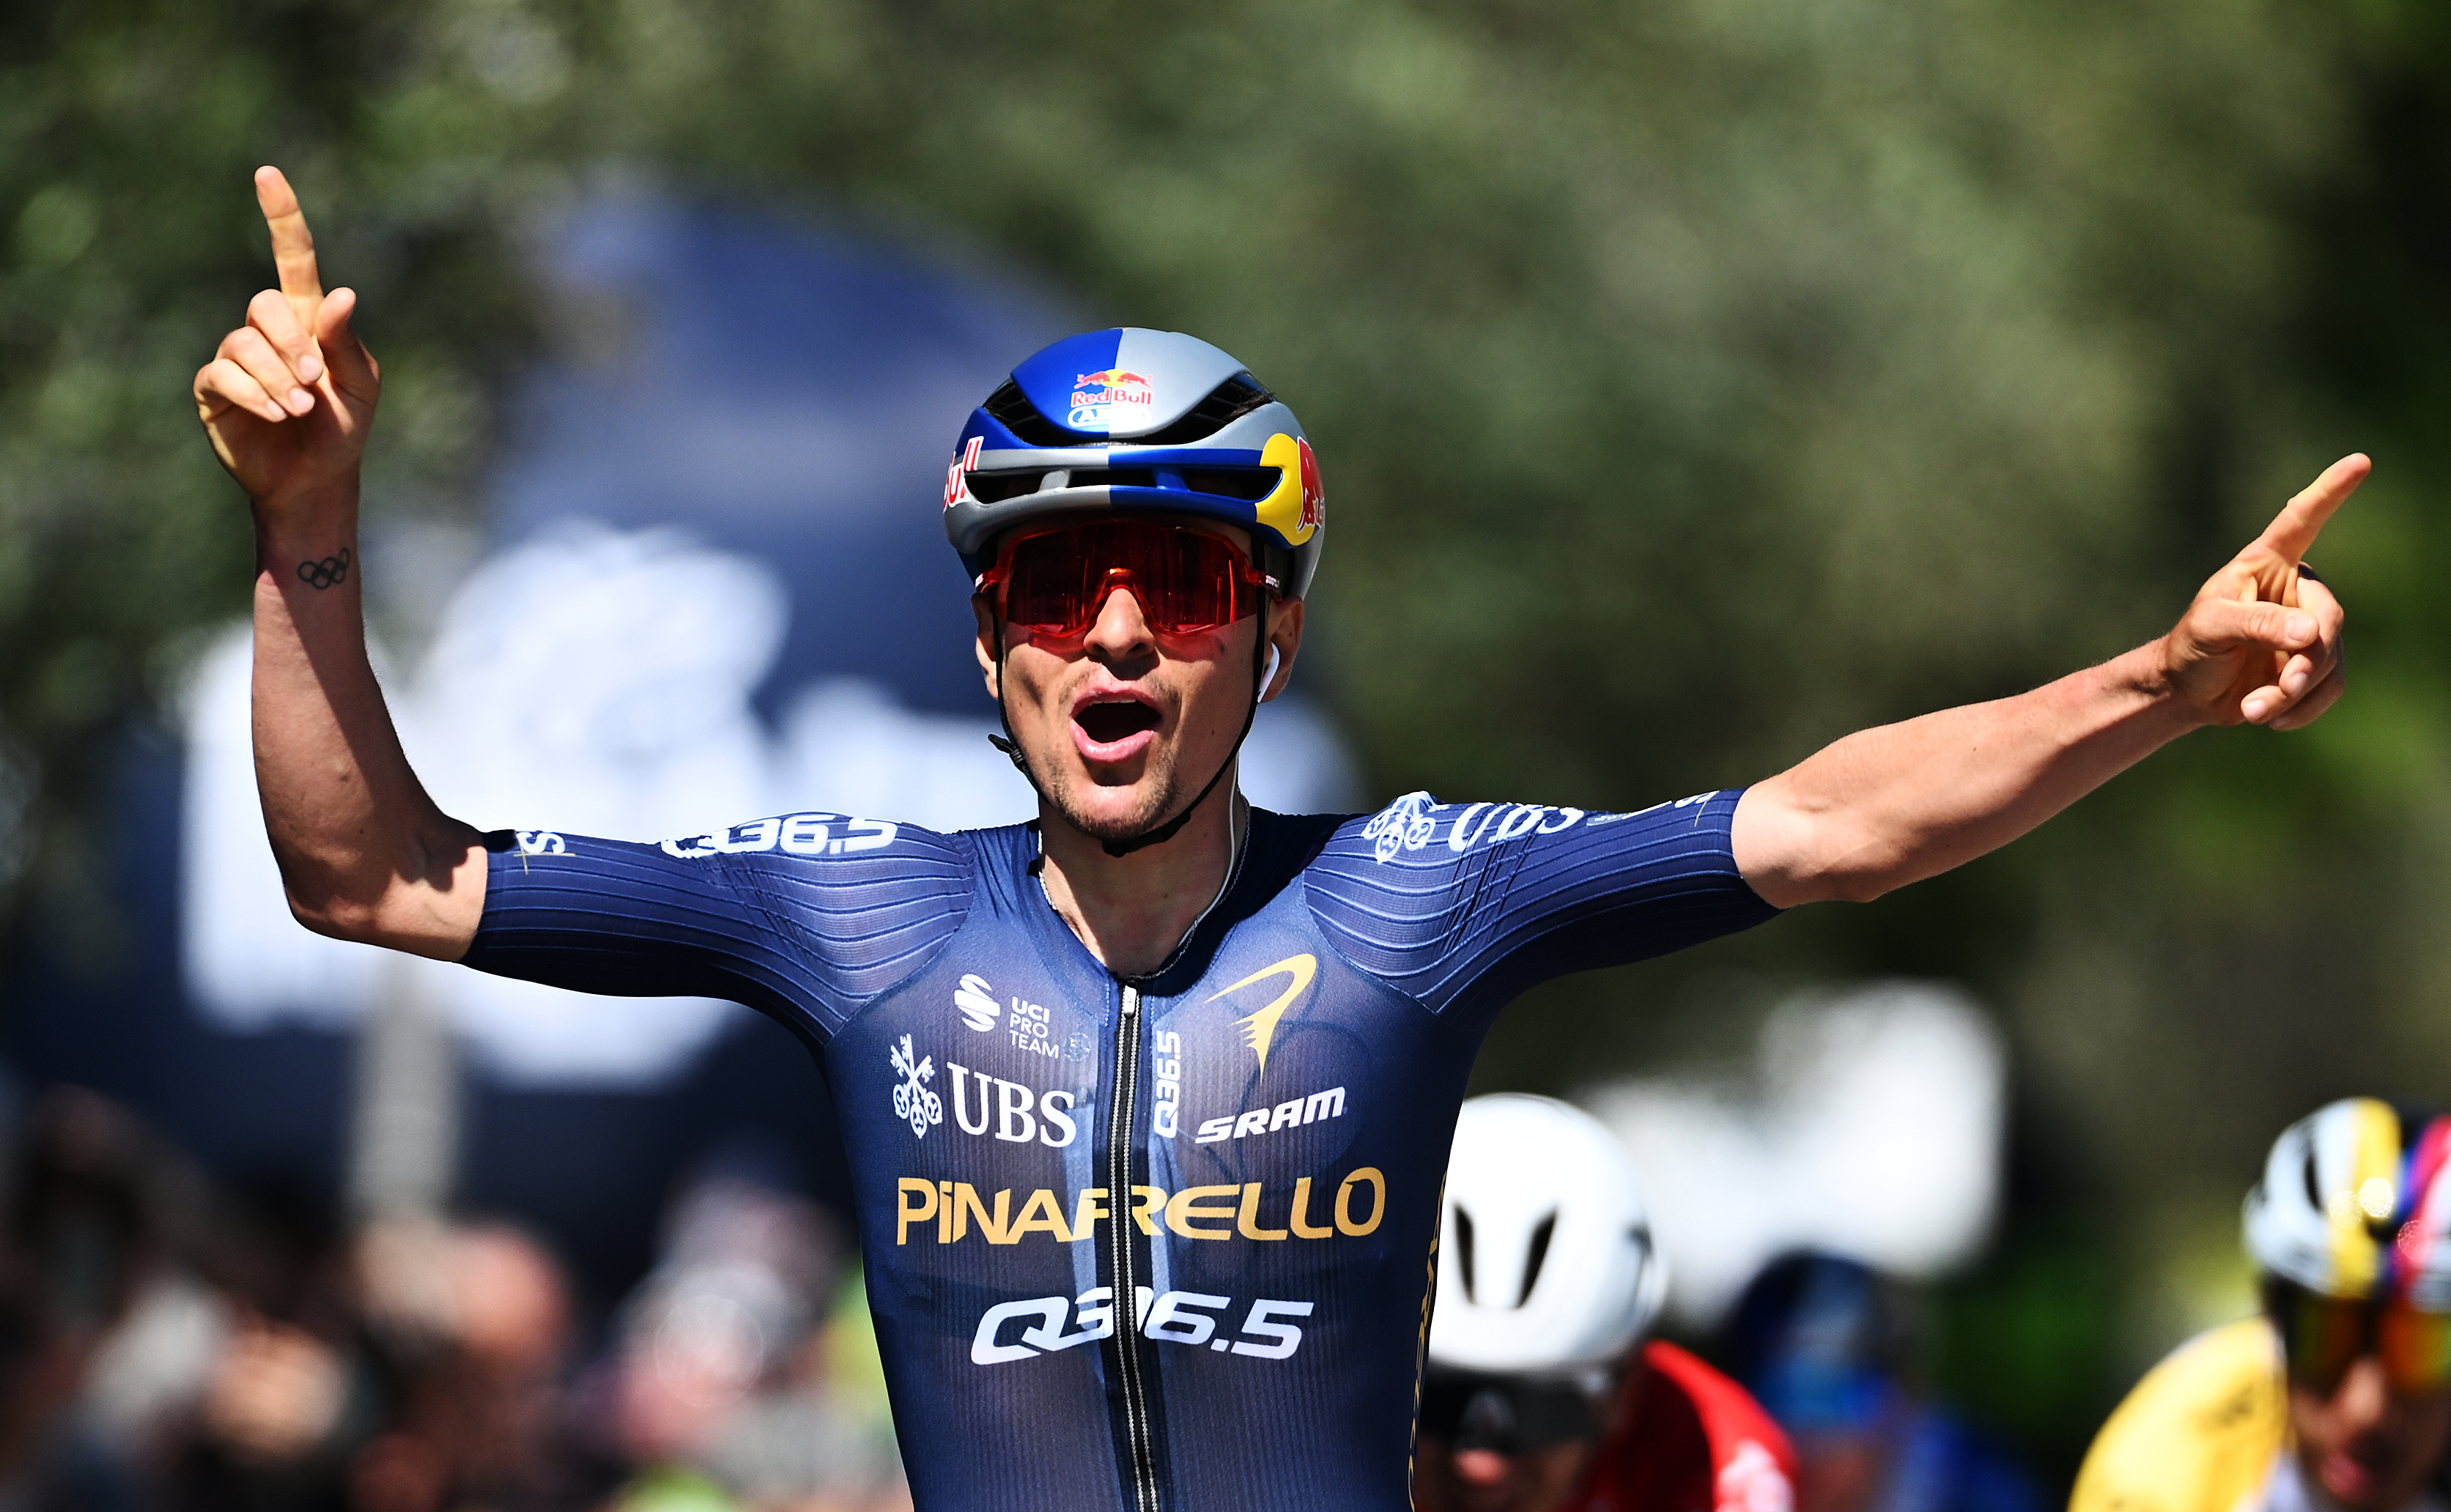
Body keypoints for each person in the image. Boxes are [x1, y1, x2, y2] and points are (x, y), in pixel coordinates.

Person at [192, 163, 2357, 1512]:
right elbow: (364, 872)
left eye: (1184, 585)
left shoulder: (1411, 896)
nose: (1115, 634)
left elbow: (1835, 831)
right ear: (986, 644)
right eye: (1054, 586)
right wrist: (306, 532)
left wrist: (2148, 687)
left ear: (1273, 635)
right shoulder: (849, 913)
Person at [1414, 1094, 1795, 1512]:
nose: (1480, 1465)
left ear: (1625, 1391)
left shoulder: (1718, 1457)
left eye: (1540, 1411)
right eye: (1437, 1400)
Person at [2070, 1099, 2451, 1512]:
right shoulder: (2160, 1472)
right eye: (2326, 1337)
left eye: (2420, 1348)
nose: (2367, 1410)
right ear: (2273, 1318)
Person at [1721, 1253, 2041, 1512]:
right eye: (1775, 1396)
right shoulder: (1717, 1482)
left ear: (1906, 1397)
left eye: (1832, 1397)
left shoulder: (1982, 1491)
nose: (1805, 1439)